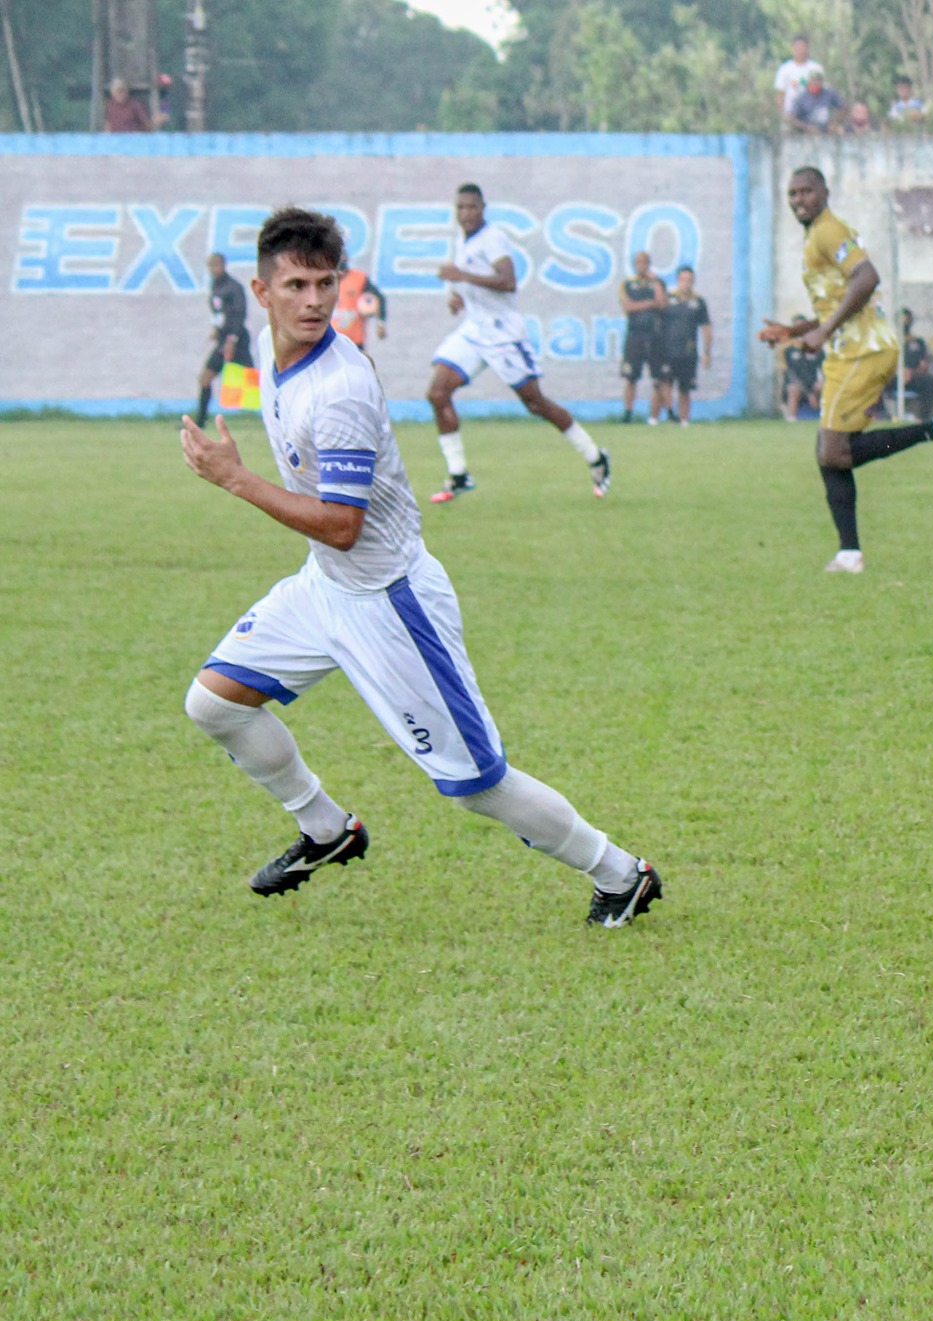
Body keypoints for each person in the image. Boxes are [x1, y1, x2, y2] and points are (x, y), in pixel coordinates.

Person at [178, 206, 661, 927]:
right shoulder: (269, 345)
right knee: (213, 703)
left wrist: (237, 480)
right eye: (298, 285)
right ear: (263, 291)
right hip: (325, 589)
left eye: (326, 285)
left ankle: (621, 873)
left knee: (476, 786)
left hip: (391, 601)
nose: (314, 301)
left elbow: (344, 527)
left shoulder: (339, 388)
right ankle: (325, 828)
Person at [755, 168, 933, 575]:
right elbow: (837, 304)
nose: (798, 200)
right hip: (850, 351)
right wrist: (794, 331)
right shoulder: (817, 236)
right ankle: (849, 553)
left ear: (825, 191)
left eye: (806, 191)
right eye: (792, 194)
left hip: (865, 350)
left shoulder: (828, 231)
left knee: (833, 450)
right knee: (831, 453)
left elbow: (867, 277)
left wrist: (824, 330)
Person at [426, 184, 611, 503]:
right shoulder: (462, 239)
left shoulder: (493, 238)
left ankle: (596, 457)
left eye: (471, 207)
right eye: (460, 208)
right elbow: (473, 284)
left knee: (536, 403)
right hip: (475, 330)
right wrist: (459, 298)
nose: (465, 213)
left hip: (503, 334)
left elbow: (508, 281)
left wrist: (462, 275)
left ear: (483, 208)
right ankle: (459, 475)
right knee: (437, 393)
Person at [195, 253, 251, 426]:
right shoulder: (215, 286)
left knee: (253, 380)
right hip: (222, 340)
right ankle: (200, 422)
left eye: (216, 265)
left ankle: (274, 416)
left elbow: (239, 314)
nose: (213, 269)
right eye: (210, 266)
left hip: (237, 340)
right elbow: (219, 313)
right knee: (205, 378)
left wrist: (232, 339)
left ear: (224, 265)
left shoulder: (234, 287)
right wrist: (216, 330)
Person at [656, 265, 712, 425]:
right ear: (677, 280)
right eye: (683, 280)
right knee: (665, 381)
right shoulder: (668, 299)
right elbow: (658, 321)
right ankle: (669, 412)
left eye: (689, 280)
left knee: (685, 388)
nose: (686, 283)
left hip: (688, 350)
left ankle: (684, 420)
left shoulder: (698, 302)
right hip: (667, 349)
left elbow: (706, 327)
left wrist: (707, 352)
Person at [617, 250, 668, 423]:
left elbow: (662, 304)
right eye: (638, 262)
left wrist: (655, 286)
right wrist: (649, 303)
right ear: (634, 264)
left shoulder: (656, 282)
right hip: (634, 336)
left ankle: (662, 414)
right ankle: (628, 413)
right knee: (631, 377)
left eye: (645, 262)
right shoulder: (627, 284)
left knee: (659, 377)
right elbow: (628, 307)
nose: (642, 266)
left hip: (654, 336)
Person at [333, 256, 387, 355]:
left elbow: (379, 297)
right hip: (329, 341)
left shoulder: (359, 278)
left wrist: (381, 322)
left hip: (354, 340)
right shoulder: (323, 279)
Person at [898, 308, 933, 419]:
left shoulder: (918, 341)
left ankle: (922, 417)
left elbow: (924, 364)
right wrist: (900, 373)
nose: (905, 324)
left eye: (907, 321)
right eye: (902, 321)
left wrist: (913, 373)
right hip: (894, 376)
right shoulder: (889, 339)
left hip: (914, 376)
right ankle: (880, 414)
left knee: (929, 381)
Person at [772, 35, 823, 123]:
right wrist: (783, 116)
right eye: (798, 47)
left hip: (813, 117)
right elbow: (780, 94)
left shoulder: (816, 69)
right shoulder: (784, 69)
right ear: (792, 49)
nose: (801, 50)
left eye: (803, 47)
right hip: (791, 116)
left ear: (808, 49)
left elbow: (822, 92)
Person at [782, 325, 823, 420]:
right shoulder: (790, 351)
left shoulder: (819, 352)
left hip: (813, 385)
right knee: (793, 388)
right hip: (800, 386)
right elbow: (793, 375)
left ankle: (826, 417)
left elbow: (823, 371)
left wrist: (818, 386)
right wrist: (809, 394)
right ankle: (791, 418)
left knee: (823, 385)